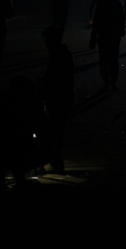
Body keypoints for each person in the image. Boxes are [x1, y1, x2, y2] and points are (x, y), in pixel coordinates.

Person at [41, 25, 75, 173]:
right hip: (62, 95)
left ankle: (53, 158)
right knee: (57, 128)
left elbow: (55, 77)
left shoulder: (58, 54)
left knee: (55, 127)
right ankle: (54, 158)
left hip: (59, 96)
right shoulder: (61, 52)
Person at [91, 0, 124, 91]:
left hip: (103, 35)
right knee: (113, 59)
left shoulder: (101, 4)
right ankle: (113, 81)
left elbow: (96, 22)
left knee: (104, 59)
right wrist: (121, 31)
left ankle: (106, 80)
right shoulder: (117, 3)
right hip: (114, 36)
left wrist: (93, 37)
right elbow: (121, 19)